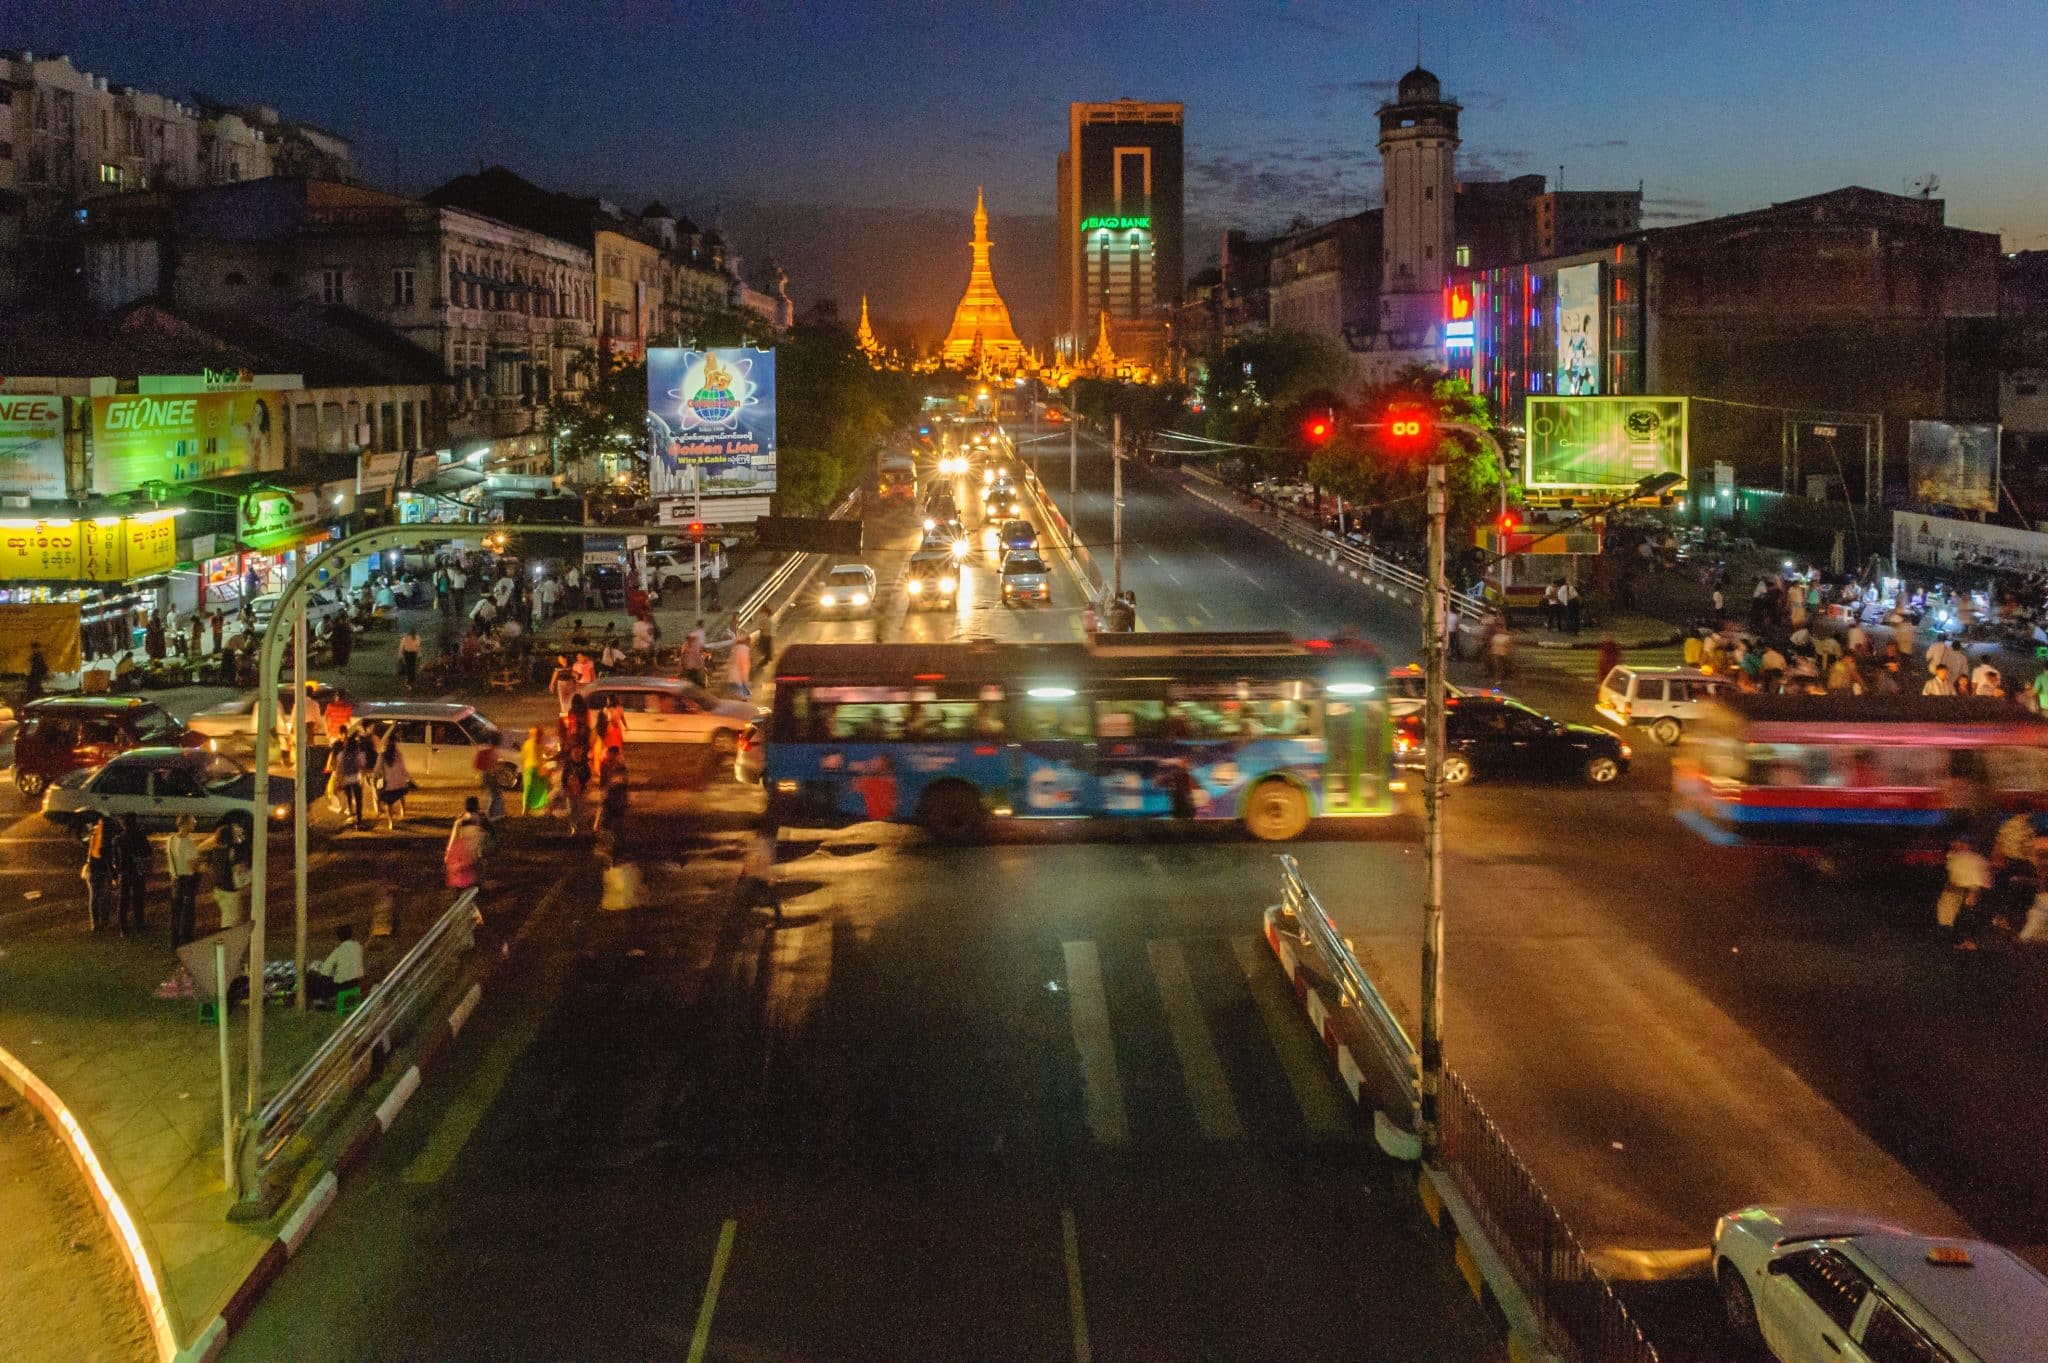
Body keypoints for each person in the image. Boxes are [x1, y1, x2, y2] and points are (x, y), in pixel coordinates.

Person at [305, 925, 364, 1006]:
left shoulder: (339, 950)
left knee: (312, 977)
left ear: (339, 937)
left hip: (343, 985)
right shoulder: (358, 947)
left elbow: (325, 970)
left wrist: (318, 971)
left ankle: (317, 1001)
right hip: (356, 982)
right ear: (351, 934)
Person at [206, 820, 250, 929]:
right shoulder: (232, 851)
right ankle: (223, 946)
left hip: (218, 888)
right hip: (230, 890)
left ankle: (229, 944)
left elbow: (208, 867)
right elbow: (239, 869)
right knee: (229, 922)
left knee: (229, 917)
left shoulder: (214, 850)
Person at [166, 816, 202, 947]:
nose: (195, 824)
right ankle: (186, 941)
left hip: (175, 880)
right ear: (185, 824)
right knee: (187, 913)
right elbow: (192, 864)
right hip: (187, 880)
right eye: (193, 822)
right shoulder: (188, 842)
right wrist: (199, 863)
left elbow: (172, 860)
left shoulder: (171, 839)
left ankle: (174, 941)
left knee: (176, 912)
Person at [116, 813, 151, 935]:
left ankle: (123, 927)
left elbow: (116, 859)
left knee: (123, 900)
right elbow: (148, 852)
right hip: (138, 871)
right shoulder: (140, 836)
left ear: (123, 824)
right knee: (138, 898)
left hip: (124, 872)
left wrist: (115, 873)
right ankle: (139, 923)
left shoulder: (119, 839)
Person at [445, 797, 488, 893]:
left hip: (462, 854)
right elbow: (484, 837)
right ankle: (480, 885)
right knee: (483, 864)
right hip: (474, 854)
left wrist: (448, 854)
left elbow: (453, 839)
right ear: (477, 806)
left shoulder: (460, 822)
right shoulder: (481, 819)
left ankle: (459, 887)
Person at [82, 815, 117, 933]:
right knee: (106, 898)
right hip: (102, 871)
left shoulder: (94, 834)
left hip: (92, 870)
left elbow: (89, 851)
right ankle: (105, 922)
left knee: (94, 897)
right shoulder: (106, 841)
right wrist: (113, 876)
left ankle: (95, 923)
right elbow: (108, 860)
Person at [376, 730, 413, 831]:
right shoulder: (398, 755)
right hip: (400, 783)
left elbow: (377, 769)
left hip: (389, 785)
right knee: (401, 794)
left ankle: (391, 823)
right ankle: (403, 811)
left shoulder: (382, 755)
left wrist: (377, 775)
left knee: (389, 804)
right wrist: (409, 779)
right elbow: (403, 769)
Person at [520, 725, 551, 816]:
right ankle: (528, 808)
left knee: (529, 789)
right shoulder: (536, 744)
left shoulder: (528, 743)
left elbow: (524, 756)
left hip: (531, 769)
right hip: (535, 769)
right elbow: (544, 754)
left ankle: (526, 809)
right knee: (534, 788)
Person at [724, 630, 753, 699]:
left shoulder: (736, 648)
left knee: (735, 698)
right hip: (739, 678)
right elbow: (742, 664)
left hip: (733, 677)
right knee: (742, 698)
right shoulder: (744, 649)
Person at [398, 626, 422, 690]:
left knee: (409, 667)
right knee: (412, 667)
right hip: (412, 654)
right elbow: (418, 647)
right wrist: (419, 655)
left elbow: (402, 647)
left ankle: (409, 680)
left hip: (408, 653)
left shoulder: (406, 637)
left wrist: (400, 656)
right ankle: (411, 680)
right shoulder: (417, 637)